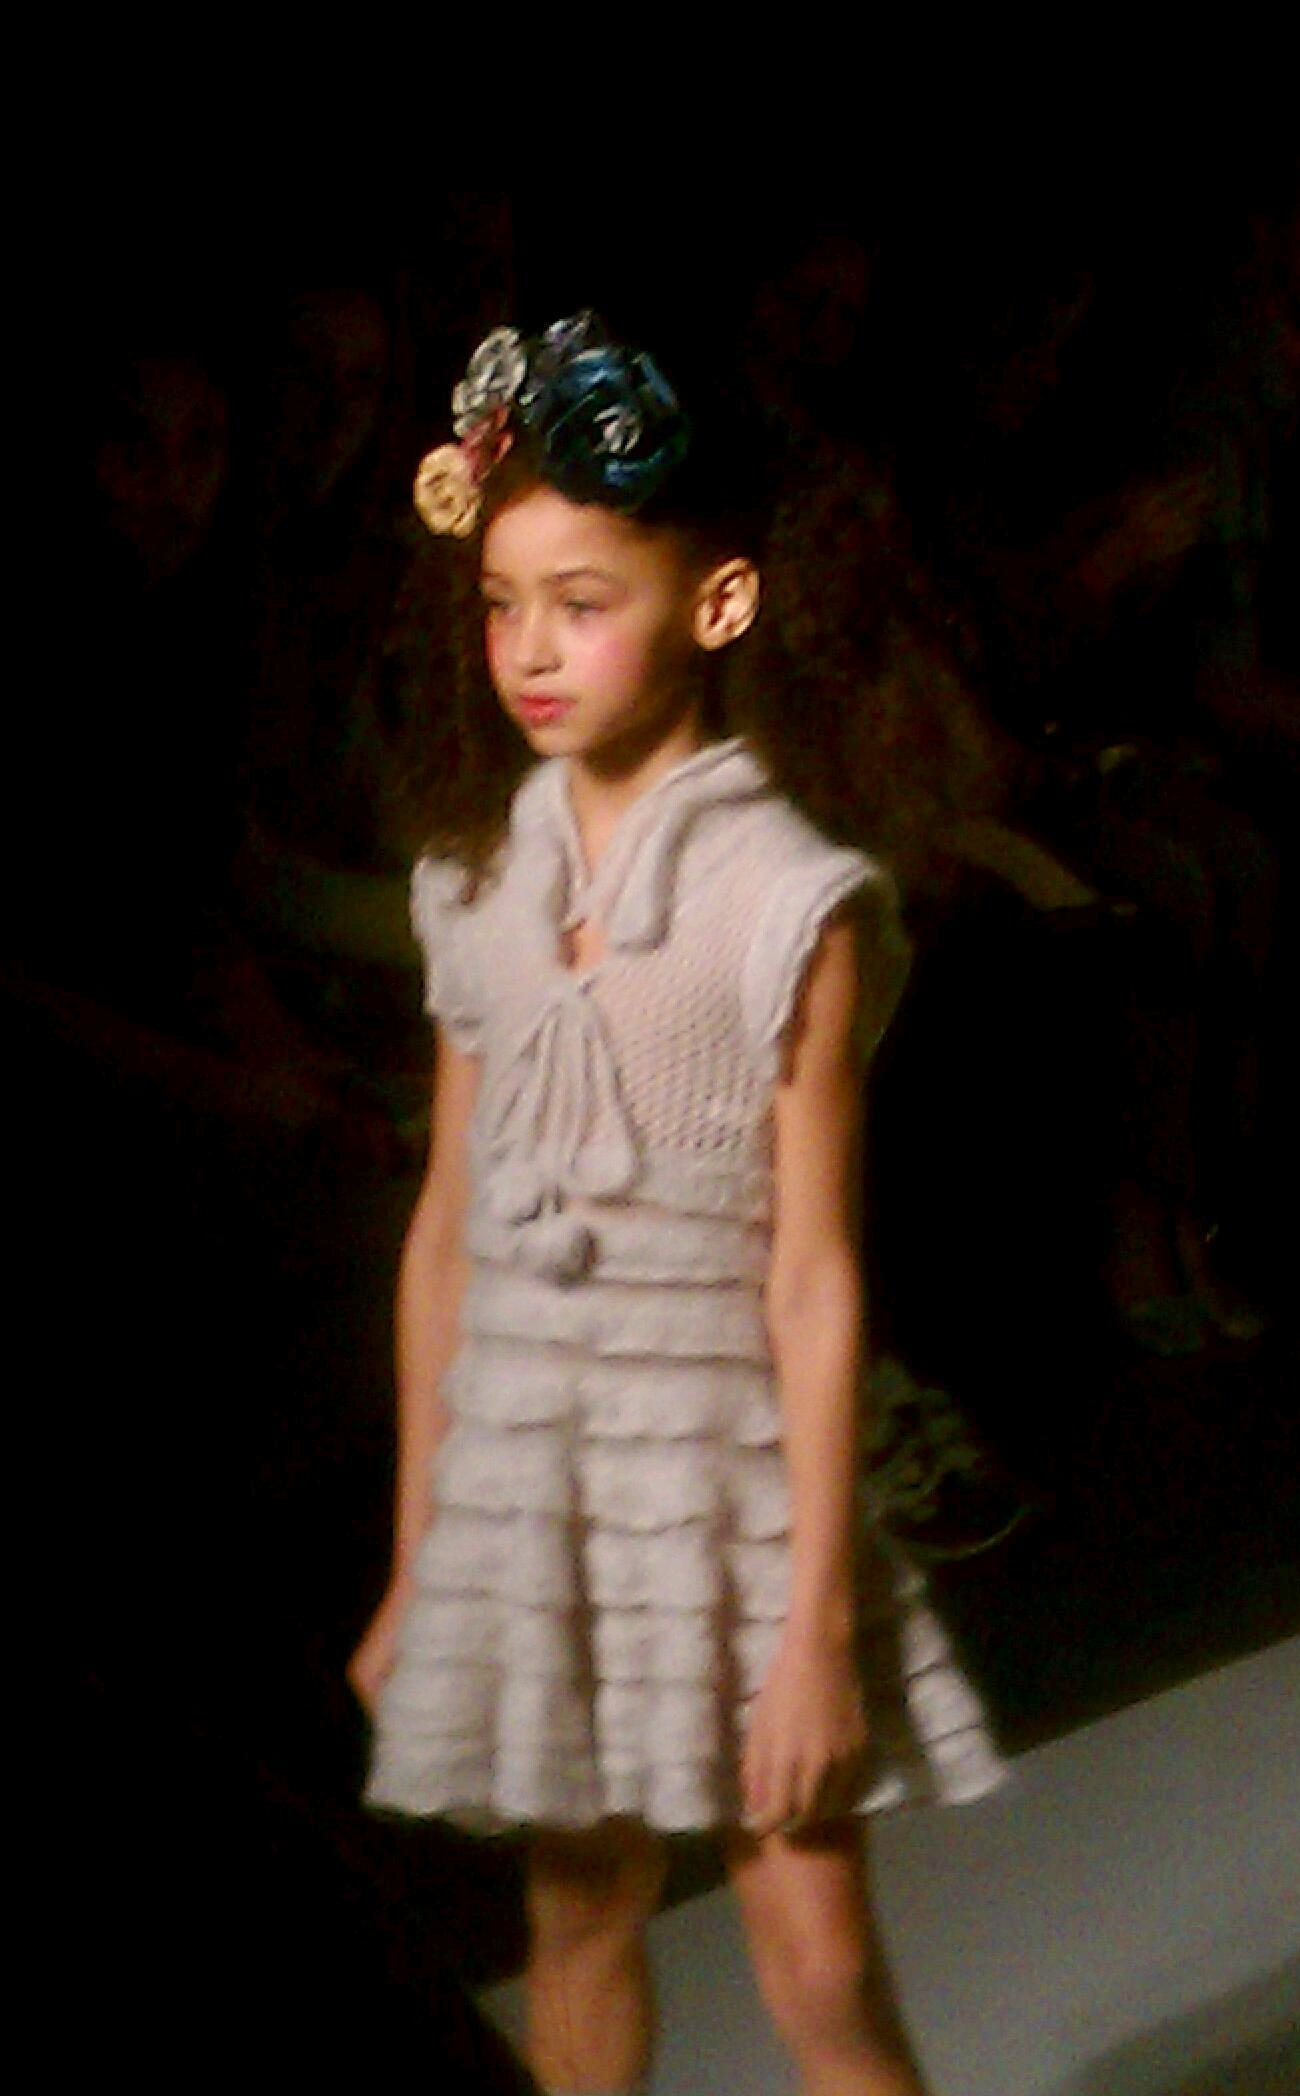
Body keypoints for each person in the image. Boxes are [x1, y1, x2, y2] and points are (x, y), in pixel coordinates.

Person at [348, 313, 1003, 2095]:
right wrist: (420, 1556)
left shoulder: (787, 901)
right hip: (538, 1482)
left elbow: (812, 1276)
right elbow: (444, 1236)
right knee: (578, 1917)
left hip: (729, 1493)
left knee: (817, 1964)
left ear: (716, 602)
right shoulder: (472, 885)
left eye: (582, 602)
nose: (529, 649)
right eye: (501, 602)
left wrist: (815, 1628)